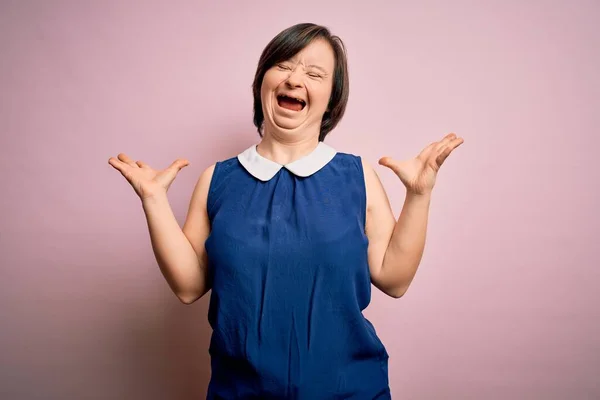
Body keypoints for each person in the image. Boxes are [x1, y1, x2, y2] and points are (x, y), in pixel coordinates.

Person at [108, 22, 463, 399]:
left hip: (350, 391)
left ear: (331, 99)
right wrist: (154, 200)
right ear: (262, 82)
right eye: (284, 65)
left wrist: (419, 195)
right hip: (240, 392)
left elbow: (395, 278)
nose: (295, 79)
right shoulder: (218, 180)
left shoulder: (357, 177)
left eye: (314, 73)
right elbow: (188, 285)